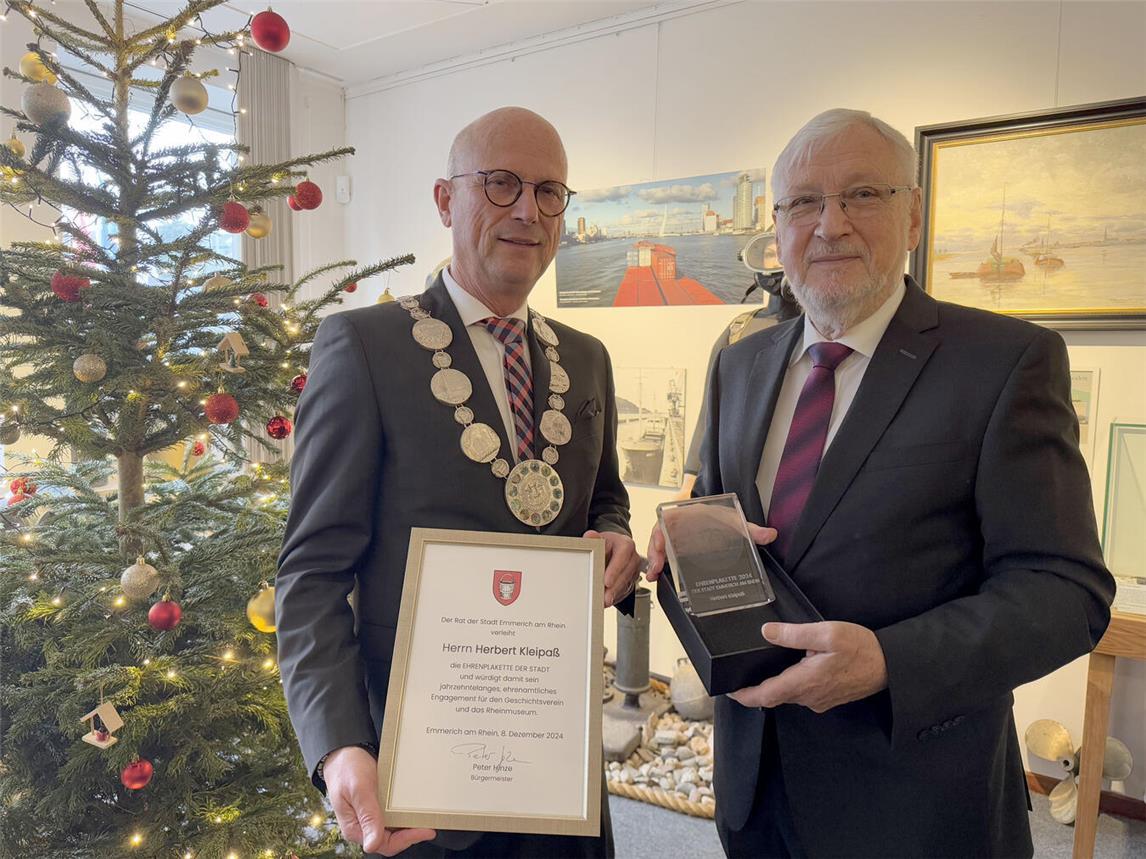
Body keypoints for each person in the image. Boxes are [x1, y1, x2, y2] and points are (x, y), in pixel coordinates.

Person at [647, 108, 1113, 858]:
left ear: (914, 216)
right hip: (753, 786)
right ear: (778, 226)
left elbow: (1066, 591)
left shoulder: (1003, 362)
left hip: (914, 803)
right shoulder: (739, 364)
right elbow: (721, 513)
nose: (829, 225)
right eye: (803, 202)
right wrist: (687, 537)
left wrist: (892, 661)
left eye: (862, 194)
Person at [277, 106, 641, 858]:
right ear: (446, 201)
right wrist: (338, 745)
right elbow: (311, 572)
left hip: (559, 768)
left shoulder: (588, 357)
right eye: (501, 184)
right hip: (418, 780)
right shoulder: (364, 346)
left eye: (549, 192)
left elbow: (605, 496)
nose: (527, 211)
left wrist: (614, 534)